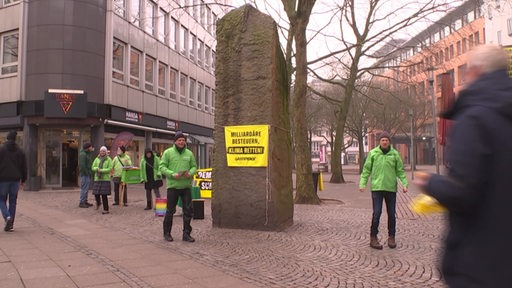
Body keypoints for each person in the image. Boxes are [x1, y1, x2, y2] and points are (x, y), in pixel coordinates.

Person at [414, 45, 512, 288]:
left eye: (466, 72)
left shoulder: (474, 117)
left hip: (480, 262)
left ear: (476, 71)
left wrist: (430, 182)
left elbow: (463, 191)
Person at [359, 131, 408, 249]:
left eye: (386, 140)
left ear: (389, 142)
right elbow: (366, 170)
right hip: (377, 188)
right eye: (383, 140)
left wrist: (405, 184)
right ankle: (373, 237)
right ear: (379, 142)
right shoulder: (373, 153)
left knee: (391, 214)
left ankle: (392, 237)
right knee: (377, 213)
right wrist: (362, 183)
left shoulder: (395, 154)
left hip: (391, 188)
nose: (385, 142)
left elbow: (400, 171)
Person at [159, 132, 197, 242]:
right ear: (175, 141)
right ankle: (167, 233)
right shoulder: (168, 153)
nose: (181, 142)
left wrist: (190, 173)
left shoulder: (189, 153)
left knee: (188, 211)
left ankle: (186, 234)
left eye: (183, 140)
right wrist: (172, 174)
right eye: (179, 140)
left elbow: (194, 166)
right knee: (170, 211)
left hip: (186, 186)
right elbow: (162, 167)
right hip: (173, 186)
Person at [0, 131, 27, 232]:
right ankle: (11, 224)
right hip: (15, 180)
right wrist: (23, 179)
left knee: (1, 199)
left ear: (7, 138)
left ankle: (7, 217)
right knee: (13, 201)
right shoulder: (20, 151)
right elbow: (24, 167)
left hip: (2, 179)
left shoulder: (1, 150)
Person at [91, 146, 114, 214]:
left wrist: (102, 170)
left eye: (104, 151)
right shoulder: (97, 159)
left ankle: (106, 209)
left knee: (104, 195)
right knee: (96, 193)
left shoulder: (109, 159)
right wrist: (96, 169)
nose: (102, 152)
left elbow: (110, 168)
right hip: (97, 178)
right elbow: (93, 167)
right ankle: (98, 203)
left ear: (106, 152)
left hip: (105, 179)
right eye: (101, 151)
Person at [78, 142, 94, 208]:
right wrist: (87, 173)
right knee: (84, 188)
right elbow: (82, 166)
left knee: (86, 188)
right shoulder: (83, 154)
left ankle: (85, 201)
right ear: (88, 147)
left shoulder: (87, 154)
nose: (92, 148)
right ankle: (82, 202)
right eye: (91, 147)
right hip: (85, 174)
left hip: (87, 174)